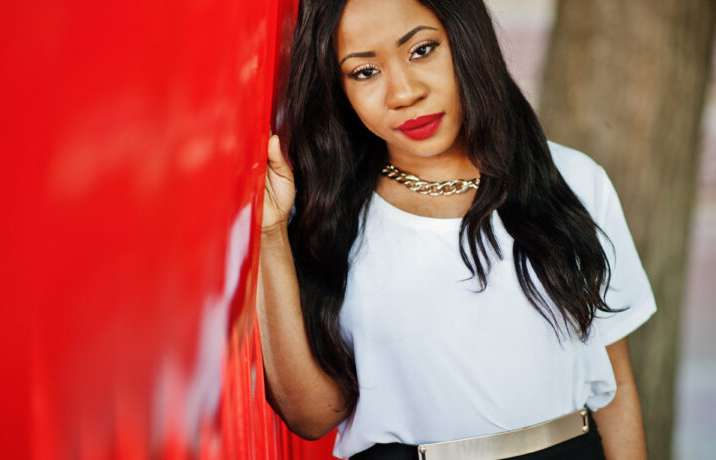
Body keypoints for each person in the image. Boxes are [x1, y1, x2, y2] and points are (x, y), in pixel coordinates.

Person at [257, 0, 657, 458]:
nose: (404, 93)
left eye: (422, 50)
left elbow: (617, 387)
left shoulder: (574, 182)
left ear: (467, 40)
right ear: (338, 88)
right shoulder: (326, 216)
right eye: (365, 72)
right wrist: (270, 237)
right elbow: (311, 416)